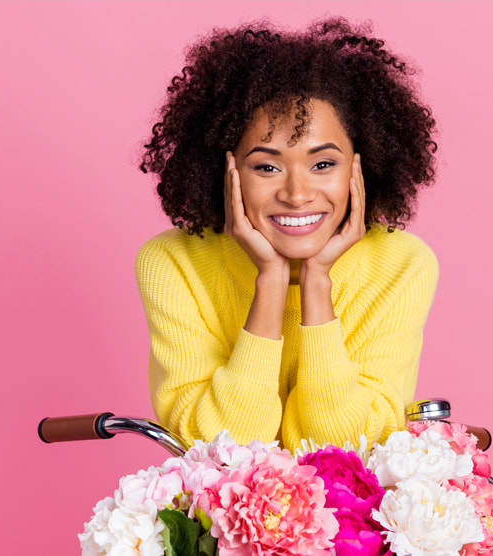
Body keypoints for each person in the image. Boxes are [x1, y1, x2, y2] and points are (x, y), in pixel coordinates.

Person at [136, 18, 439, 452]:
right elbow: (219, 450)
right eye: (266, 166)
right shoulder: (173, 263)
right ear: (227, 171)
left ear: (361, 165)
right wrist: (270, 283)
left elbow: (342, 451)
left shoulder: (403, 264)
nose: (297, 195)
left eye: (323, 165)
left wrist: (317, 283)